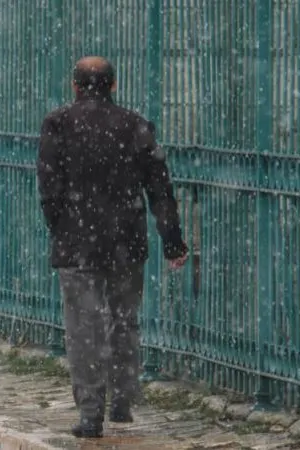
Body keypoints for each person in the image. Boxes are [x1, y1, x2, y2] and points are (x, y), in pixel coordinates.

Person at [36, 56, 189, 438]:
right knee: (124, 319)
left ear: (74, 86)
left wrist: (62, 228)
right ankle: (122, 399)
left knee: (83, 328)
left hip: (77, 243)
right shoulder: (136, 126)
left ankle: (91, 414)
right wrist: (172, 241)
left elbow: (49, 189)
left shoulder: (58, 124)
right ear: (114, 85)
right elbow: (159, 189)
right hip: (126, 238)